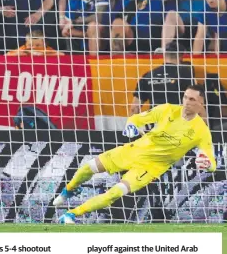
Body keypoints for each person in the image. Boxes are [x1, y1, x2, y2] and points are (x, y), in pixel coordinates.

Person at [55, 85, 217, 224]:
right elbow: (135, 118)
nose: (186, 103)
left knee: (115, 193)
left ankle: (72, 214)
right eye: (185, 97)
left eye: (192, 100)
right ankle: (69, 190)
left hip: (149, 168)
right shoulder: (167, 109)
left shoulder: (201, 131)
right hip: (133, 151)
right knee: (87, 168)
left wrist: (208, 164)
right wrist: (131, 126)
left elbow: (211, 162)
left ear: (201, 104)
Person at [130, 42, 195, 116]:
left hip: (156, 123)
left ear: (165, 55)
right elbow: (195, 102)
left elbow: (134, 108)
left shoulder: (148, 75)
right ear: (181, 56)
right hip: (177, 122)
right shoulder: (186, 73)